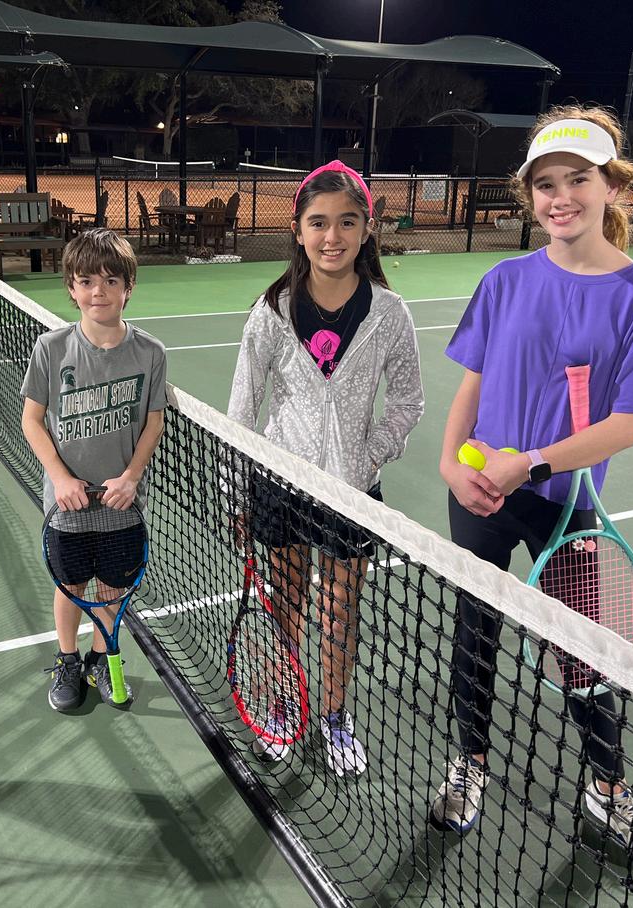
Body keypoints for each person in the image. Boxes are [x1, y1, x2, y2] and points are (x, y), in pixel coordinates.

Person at [434, 107, 633, 872]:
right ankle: (469, 762)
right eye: (546, 184)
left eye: (578, 179)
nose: (560, 197)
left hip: (565, 506)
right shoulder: (504, 280)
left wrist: (532, 463)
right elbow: (472, 385)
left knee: (579, 653)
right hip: (480, 490)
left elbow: (627, 425)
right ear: (529, 194)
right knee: (474, 633)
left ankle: (607, 788)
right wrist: (450, 464)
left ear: (613, 187)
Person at [227, 160, 424, 777]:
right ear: (298, 229)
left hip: (351, 495)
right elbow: (241, 409)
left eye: (346, 221)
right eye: (318, 222)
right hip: (279, 488)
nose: (331, 236)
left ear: (366, 229)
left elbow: (408, 402)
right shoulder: (271, 311)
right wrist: (236, 492)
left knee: (340, 613)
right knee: (285, 606)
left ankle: (335, 717)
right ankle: (285, 702)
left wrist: (369, 455)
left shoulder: (390, 314)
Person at [21, 228, 166, 712]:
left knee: (112, 589)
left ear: (129, 287)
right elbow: (32, 420)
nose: (97, 292)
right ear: (71, 287)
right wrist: (61, 479)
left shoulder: (150, 353)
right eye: (85, 281)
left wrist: (131, 477)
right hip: (66, 506)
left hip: (122, 503)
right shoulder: (51, 348)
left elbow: (153, 421)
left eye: (110, 281)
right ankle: (68, 660)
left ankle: (101, 659)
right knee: (70, 587)